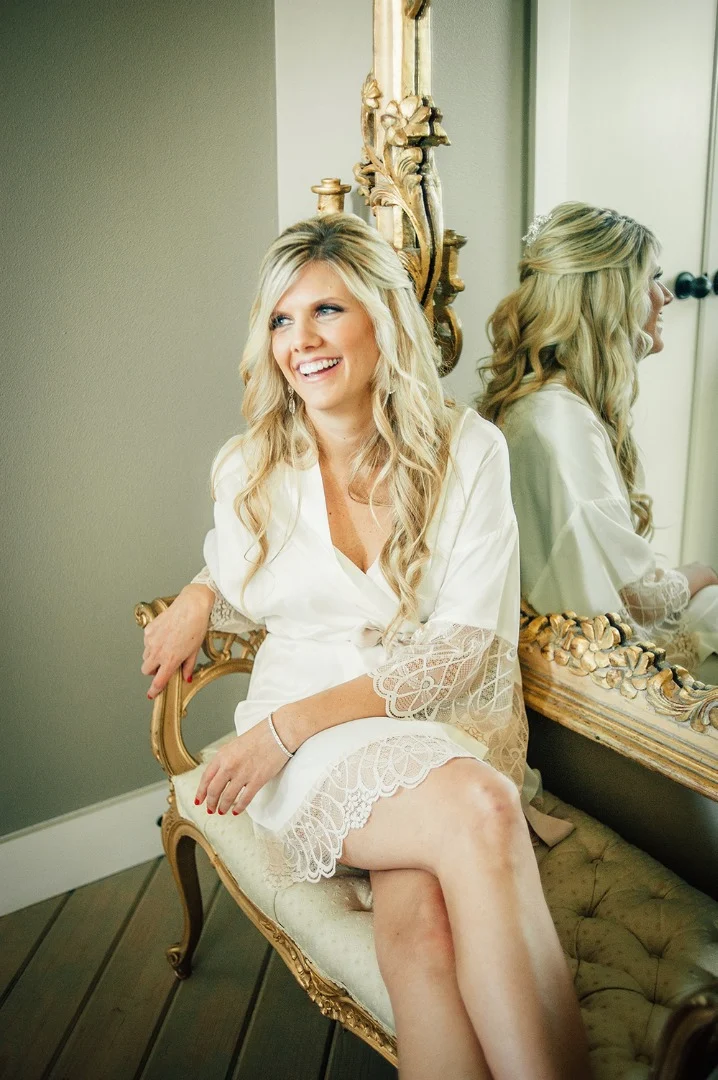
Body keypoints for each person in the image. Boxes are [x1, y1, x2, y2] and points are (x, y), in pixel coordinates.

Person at [141, 213, 590, 1080]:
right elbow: (232, 565)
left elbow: (460, 651)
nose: (299, 342)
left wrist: (285, 729)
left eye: (326, 312)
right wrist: (200, 595)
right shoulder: (247, 468)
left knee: (421, 933)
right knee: (486, 811)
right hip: (303, 740)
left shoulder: (469, 453)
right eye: (280, 319)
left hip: (425, 719)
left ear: (382, 317)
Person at [478, 201, 718, 677]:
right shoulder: (564, 423)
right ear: (611, 297)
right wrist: (699, 574)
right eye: (653, 278)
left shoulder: (545, 405)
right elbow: (635, 600)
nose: (666, 296)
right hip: (589, 672)